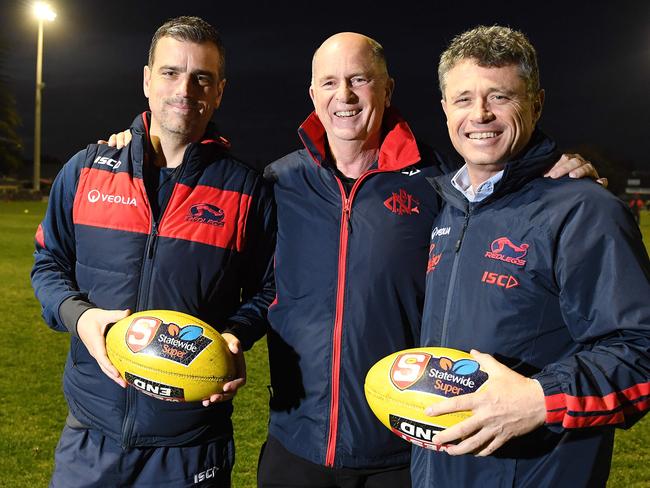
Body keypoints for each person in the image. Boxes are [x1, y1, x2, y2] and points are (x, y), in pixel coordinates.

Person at [103, 32, 600, 487]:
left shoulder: (441, 183)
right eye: (330, 82)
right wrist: (131, 145)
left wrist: (552, 172)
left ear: (387, 88)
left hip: (403, 447)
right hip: (296, 443)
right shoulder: (279, 181)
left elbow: (501, 194)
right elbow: (254, 284)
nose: (344, 96)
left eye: (359, 79)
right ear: (313, 94)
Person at [31, 16, 275, 487]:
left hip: (190, 442)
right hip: (91, 432)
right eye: (170, 72)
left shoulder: (247, 190)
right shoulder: (87, 170)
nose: (185, 89)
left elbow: (271, 289)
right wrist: (79, 316)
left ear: (219, 90)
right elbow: (48, 264)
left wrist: (236, 334)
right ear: (147, 80)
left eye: (201, 77)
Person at [413, 25, 650, 487]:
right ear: (445, 109)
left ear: (537, 102)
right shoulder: (447, 207)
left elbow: (641, 349)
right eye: (463, 99)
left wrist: (540, 398)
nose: (479, 114)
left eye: (500, 96)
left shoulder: (585, 210)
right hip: (440, 472)